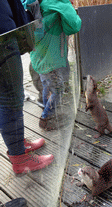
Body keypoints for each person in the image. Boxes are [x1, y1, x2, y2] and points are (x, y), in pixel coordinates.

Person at [0, 0, 54, 175]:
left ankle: (18, 145)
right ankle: (20, 159)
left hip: (5, 30)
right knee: (10, 98)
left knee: (9, 95)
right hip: (3, 36)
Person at [29, 0, 82, 130]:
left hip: (38, 56)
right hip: (52, 58)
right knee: (58, 89)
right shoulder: (59, 3)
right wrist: (68, 5)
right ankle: (46, 119)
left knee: (48, 85)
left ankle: (49, 112)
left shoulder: (38, 2)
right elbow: (74, 26)